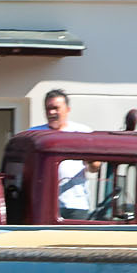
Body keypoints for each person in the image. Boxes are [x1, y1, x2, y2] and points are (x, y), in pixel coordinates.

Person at [35, 88, 98, 217]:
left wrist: (89, 157)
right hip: (43, 203)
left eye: (55, 108)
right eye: (48, 108)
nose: (51, 112)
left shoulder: (82, 132)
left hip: (75, 204)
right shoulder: (35, 134)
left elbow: (95, 167)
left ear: (67, 109)